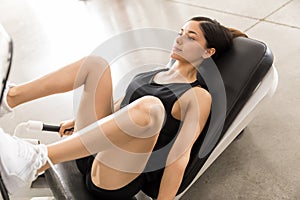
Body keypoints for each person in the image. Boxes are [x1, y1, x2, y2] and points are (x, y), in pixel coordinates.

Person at [0, 16, 246, 200]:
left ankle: (37, 160)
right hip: (92, 152)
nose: (179, 38)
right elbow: (121, 107)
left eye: (191, 37)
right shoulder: (158, 73)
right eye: (180, 32)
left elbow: (179, 157)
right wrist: (78, 120)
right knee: (95, 64)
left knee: (151, 107)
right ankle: (8, 98)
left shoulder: (198, 95)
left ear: (208, 51)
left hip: (115, 176)